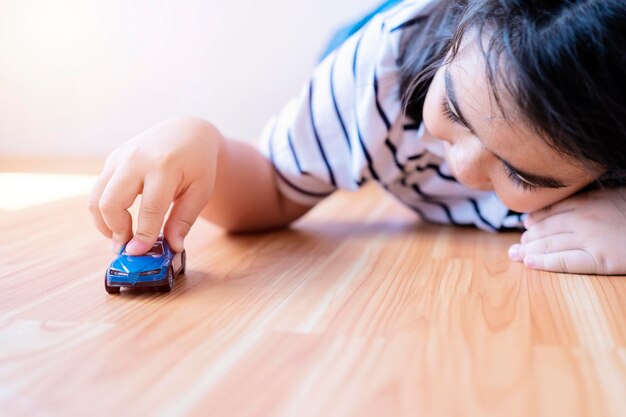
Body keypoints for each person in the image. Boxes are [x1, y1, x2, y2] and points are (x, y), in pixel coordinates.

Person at [88, 0, 626, 275]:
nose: (462, 167)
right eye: (455, 111)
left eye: (522, 173)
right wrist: (201, 141)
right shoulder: (376, 77)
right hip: (382, 46)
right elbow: (271, 190)